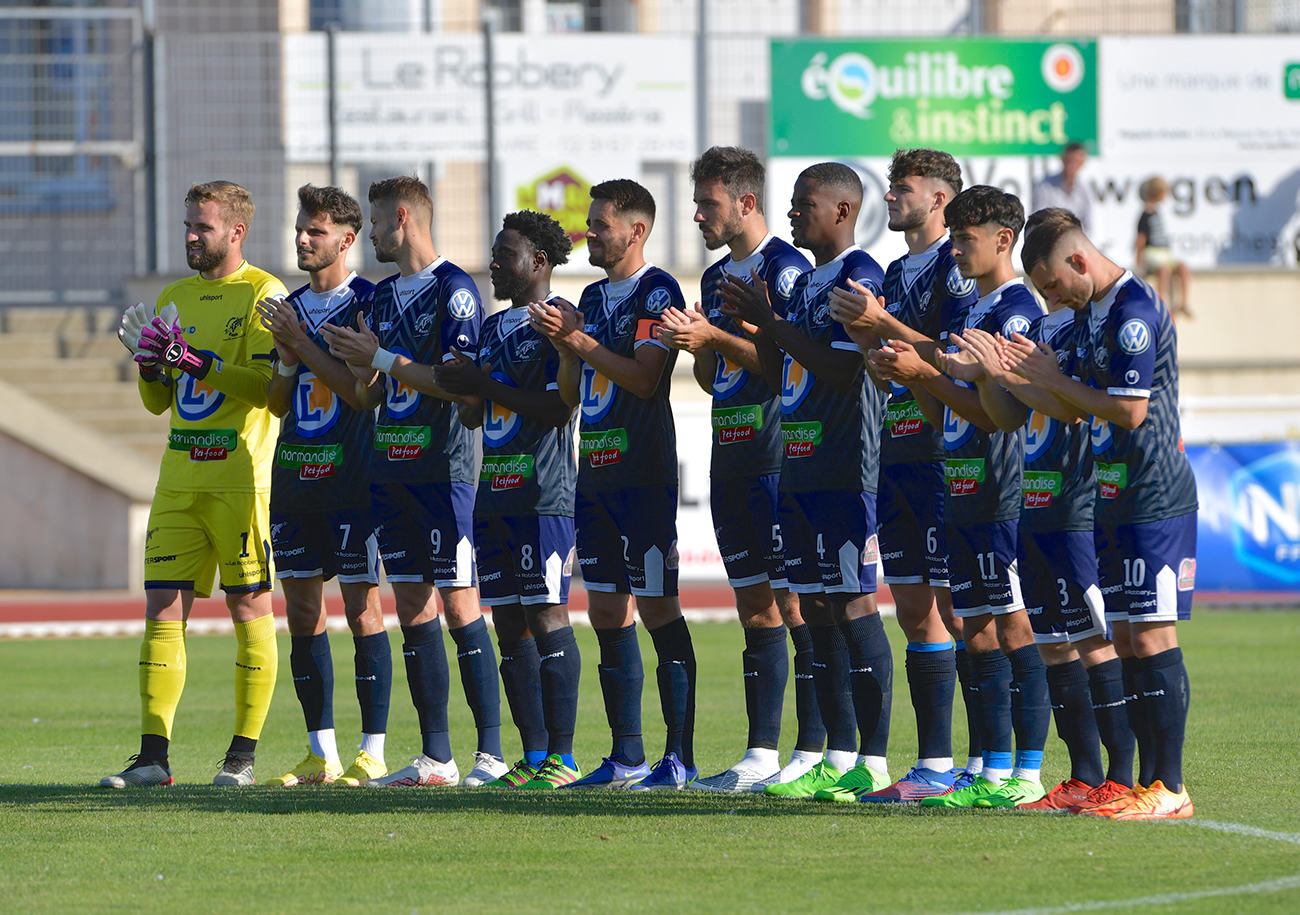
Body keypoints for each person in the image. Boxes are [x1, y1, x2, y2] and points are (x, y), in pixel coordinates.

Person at [943, 207, 1136, 811]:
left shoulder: (1089, 330)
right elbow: (1008, 418)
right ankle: (1080, 775)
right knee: (1053, 644)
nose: (1046, 289)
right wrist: (986, 377)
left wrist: (1005, 373)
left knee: (1094, 642)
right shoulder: (1042, 333)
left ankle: (1123, 780)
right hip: (1035, 504)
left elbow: (1076, 409)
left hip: (1077, 506)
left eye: (1048, 278)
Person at [867, 186, 1051, 809]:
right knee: (972, 627)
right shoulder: (974, 313)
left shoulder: (1018, 313)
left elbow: (1001, 415)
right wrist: (911, 377)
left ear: (1003, 240)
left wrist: (926, 374)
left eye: (967, 240)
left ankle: (1025, 772)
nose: (959, 252)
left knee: (1013, 624)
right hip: (960, 482)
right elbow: (949, 404)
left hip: (1001, 488)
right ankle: (987, 766)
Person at [1010, 207, 1197, 820]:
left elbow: (1129, 412)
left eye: (1053, 284)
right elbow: (1072, 409)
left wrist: (1049, 377)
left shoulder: (1132, 313)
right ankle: (1140, 785)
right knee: (1124, 637)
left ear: (1079, 261)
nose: (1051, 297)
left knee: (1150, 634)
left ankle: (1169, 786)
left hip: (1153, 496)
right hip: (1112, 498)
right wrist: (1012, 377)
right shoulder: (1090, 314)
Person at [719, 163, 894, 803]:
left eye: (803, 204)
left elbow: (840, 372)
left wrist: (770, 319)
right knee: (815, 610)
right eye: (791, 204)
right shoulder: (802, 287)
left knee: (853, 606)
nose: (791, 214)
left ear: (843, 212)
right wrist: (756, 325)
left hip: (848, 470)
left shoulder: (861, 276)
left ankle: (872, 760)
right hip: (800, 470)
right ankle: (837, 752)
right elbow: (779, 368)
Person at [102, 180, 286, 788]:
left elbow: (265, 390)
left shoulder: (264, 293)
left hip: (239, 480)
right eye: (187, 224)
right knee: (161, 607)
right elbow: (160, 402)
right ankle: (154, 756)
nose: (189, 236)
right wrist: (153, 365)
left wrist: (194, 361)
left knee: (248, 607)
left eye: (201, 227)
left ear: (235, 232)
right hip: (179, 477)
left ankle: (242, 756)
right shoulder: (174, 295)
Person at [322, 175, 504, 788]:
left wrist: (376, 359)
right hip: (390, 471)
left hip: (443, 471)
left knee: (458, 602)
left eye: (374, 222)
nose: (369, 233)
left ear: (403, 218)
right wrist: (360, 365)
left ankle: (492, 754)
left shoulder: (455, 290)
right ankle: (435, 757)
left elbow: (456, 382)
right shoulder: (377, 298)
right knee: (412, 604)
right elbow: (371, 396)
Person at [656, 146, 821, 793]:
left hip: (779, 458)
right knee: (754, 604)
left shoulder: (787, 270)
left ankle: (812, 750)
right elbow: (714, 372)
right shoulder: (716, 277)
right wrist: (694, 344)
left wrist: (715, 340)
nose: (699, 215)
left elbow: (787, 363)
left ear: (746, 203)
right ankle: (760, 753)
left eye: (709, 204)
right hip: (731, 458)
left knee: (795, 601)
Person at [528, 178, 698, 790]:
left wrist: (577, 339)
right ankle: (626, 755)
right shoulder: (593, 296)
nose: (590, 234)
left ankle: (678, 757)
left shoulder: (659, 290)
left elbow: (645, 379)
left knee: (657, 609)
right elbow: (572, 396)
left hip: (643, 476)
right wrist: (567, 349)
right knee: (605, 611)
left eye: (600, 224)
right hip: (594, 476)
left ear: (636, 230)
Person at [828, 147, 982, 802]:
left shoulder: (958, 267)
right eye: (890, 187)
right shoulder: (894, 268)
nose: (890, 197)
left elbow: (954, 358)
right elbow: (889, 358)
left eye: (903, 188)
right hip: (897, 451)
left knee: (962, 610)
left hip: (944, 455)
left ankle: (991, 761)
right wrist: (868, 342)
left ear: (939, 199)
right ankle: (934, 764)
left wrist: (879, 323)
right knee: (915, 610)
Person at [434, 210, 584, 789]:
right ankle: (533, 756)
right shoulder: (495, 328)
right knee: (510, 625)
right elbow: (479, 410)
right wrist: (461, 388)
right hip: (494, 493)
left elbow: (556, 408)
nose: (494, 263)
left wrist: (481, 386)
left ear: (539, 262)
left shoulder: (558, 322)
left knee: (547, 615)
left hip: (543, 495)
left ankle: (564, 760)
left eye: (506, 253)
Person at [256, 184, 389, 787]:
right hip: (295, 478)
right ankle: (320, 752)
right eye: (301, 228)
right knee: (303, 613)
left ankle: (373, 750)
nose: (303, 239)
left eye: (316, 231)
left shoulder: (368, 302)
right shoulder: (288, 307)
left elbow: (363, 396)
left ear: (347, 239)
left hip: (353, 479)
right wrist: (286, 355)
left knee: (363, 610)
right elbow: (277, 403)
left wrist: (303, 344)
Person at [1135, 177, 1191, 320]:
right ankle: (1160, 303)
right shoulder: (1146, 214)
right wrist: (1138, 258)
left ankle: (1184, 303)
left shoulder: (1157, 212)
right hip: (1152, 252)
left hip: (1164, 252)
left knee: (1183, 267)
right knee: (1164, 270)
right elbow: (1141, 238)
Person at [1031, 142, 1092, 236]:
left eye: (1076, 161)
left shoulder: (1085, 189)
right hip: (1049, 239)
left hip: (1077, 242)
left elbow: (1089, 224)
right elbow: (1038, 220)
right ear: (1062, 159)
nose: (1072, 165)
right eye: (1069, 160)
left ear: (1082, 162)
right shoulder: (1045, 186)